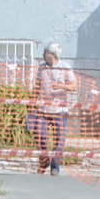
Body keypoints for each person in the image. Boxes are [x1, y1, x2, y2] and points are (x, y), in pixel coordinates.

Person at [29, 43, 75, 175]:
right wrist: (32, 102)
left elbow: (74, 86)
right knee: (40, 137)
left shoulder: (65, 68)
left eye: (45, 53)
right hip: (42, 110)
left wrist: (62, 86)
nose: (43, 55)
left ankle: (55, 167)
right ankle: (43, 163)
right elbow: (37, 85)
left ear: (52, 55)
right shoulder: (42, 68)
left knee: (59, 141)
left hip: (60, 110)